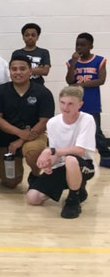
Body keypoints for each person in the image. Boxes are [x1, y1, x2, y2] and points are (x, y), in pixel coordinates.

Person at [27, 86, 96, 219]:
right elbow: (56, 155)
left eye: (71, 104)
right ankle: (78, 188)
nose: (65, 107)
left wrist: (50, 151)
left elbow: (80, 151)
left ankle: (73, 199)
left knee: (71, 159)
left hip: (84, 165)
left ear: (80, 105)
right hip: (63, 166)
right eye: (62, 103)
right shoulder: (53, 123)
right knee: (33, 198)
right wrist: (48, 162)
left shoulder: (87, 120)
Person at [0, 53, 55, 189]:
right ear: (10, 71)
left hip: (33, 136)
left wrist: (21, 140)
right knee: (10, 182)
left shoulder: (43, 93)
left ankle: (35, 174)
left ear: (30, 71)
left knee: (32, 153)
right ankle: (13, 169)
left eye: (22, 69)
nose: (18, 72)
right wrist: (19, 133)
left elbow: (44, 121)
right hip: (6, 139)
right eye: (14, 69)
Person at [66, 32, 109, 167]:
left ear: (91, 46)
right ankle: (73, 156)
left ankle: (106, 156)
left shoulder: (99, 61)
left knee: (95, 130)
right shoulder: (71, 62)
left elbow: (101, 80)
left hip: (92, 102)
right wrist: (73, 63)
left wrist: (80, 85)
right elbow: (69, 80)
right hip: (75, 102)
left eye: (83, 45)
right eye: (77, 45)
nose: (79, 48)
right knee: (74, 129)